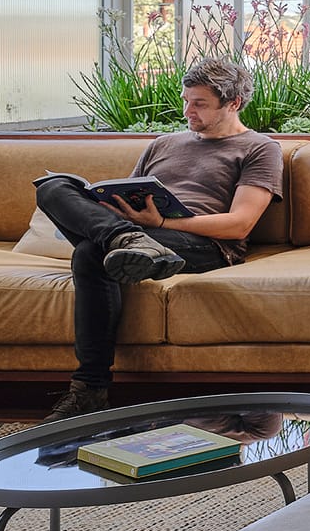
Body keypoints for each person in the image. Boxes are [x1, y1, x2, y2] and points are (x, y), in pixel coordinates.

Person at [36, 58, 284, 422]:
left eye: (199, 104)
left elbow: (240, 224)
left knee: (91, 253)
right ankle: (125, 239)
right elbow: (128, 193)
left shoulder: (259, 148)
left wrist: (163, 221)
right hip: (143, 233)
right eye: (186, 101)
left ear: (233, 104)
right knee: (52, 187)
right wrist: (117, 210)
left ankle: (89, 392)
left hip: (203, 244)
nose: (188, 111)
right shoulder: (163, 144)